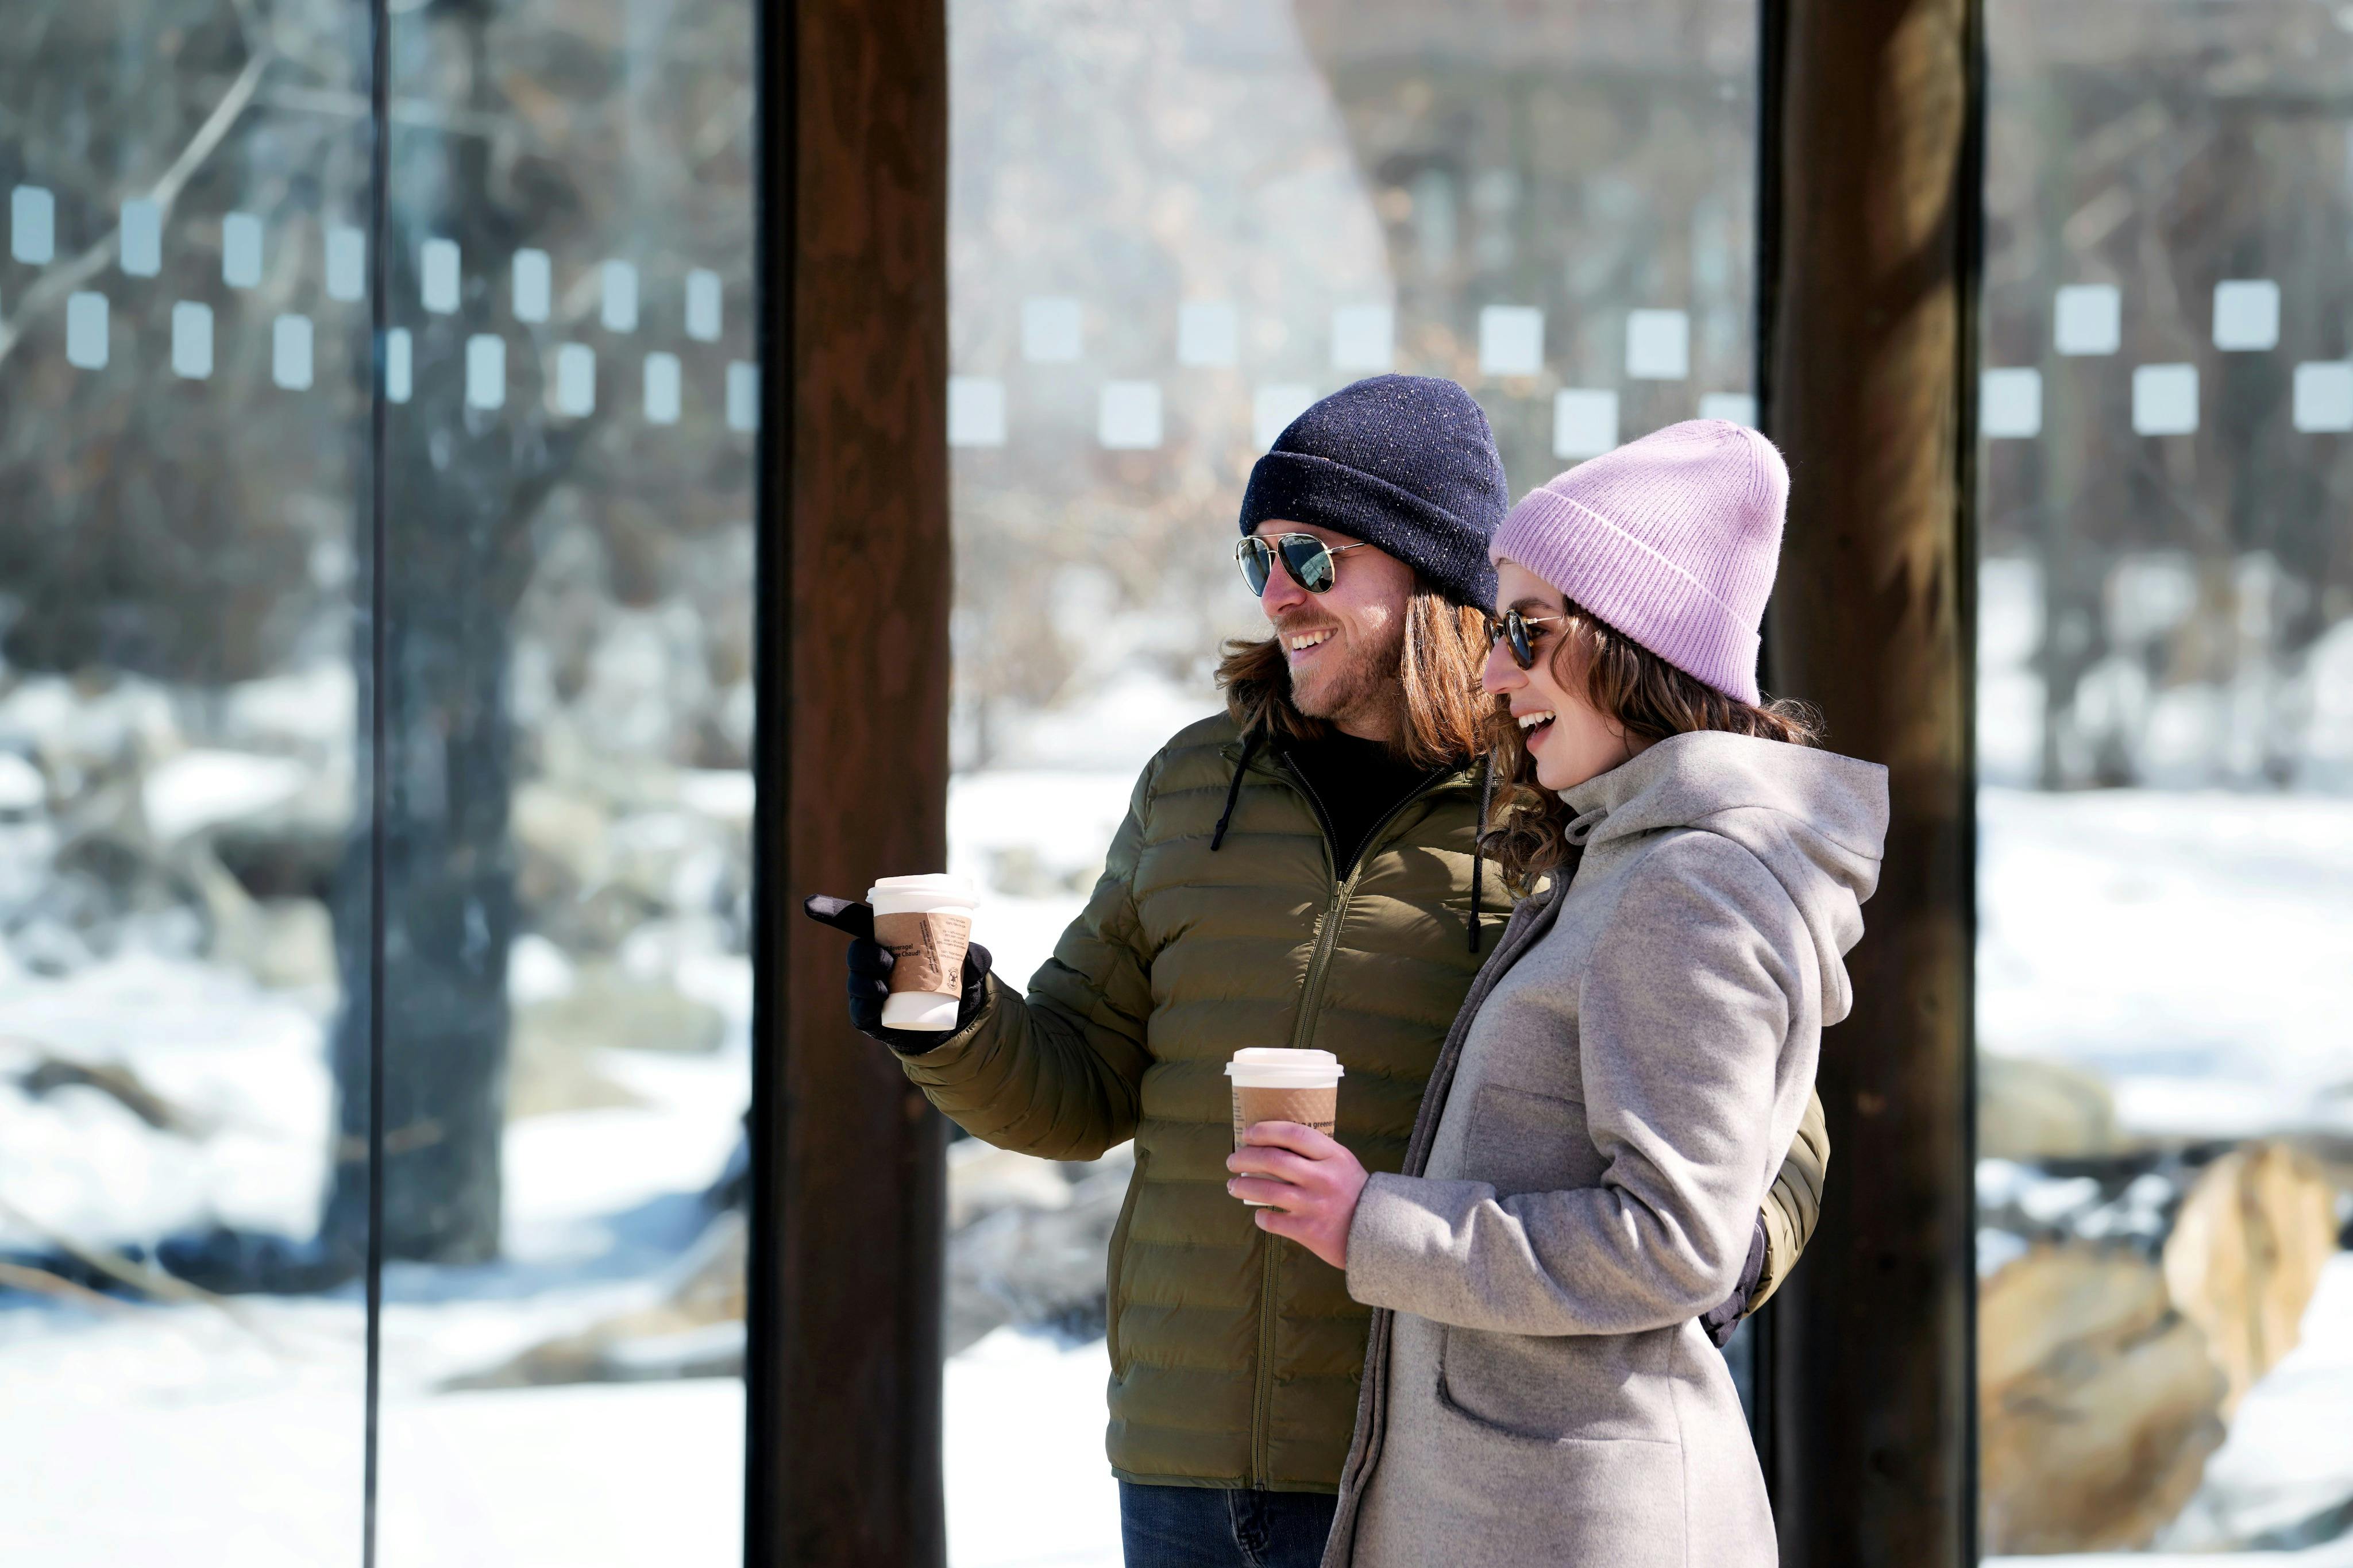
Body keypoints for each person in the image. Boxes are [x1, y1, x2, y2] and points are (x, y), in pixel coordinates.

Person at [805, 382, 1830, 1568]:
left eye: (1311, 554)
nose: (1276, 589)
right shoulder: (1194, 785)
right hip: (1183, 1459)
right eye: (1258, 555)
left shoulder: (1559, 795)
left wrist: (1721, 1257)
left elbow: (1760, 1097)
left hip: (1428, 1455)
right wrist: (945, 1014)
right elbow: (1081, 1087)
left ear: (1429, 578)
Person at [1221, 420, 1889, 1568]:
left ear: (1633, 648)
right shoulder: (1621, 858)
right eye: (1495, 632)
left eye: (1526, 633)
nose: (1491, 672)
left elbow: (1675, 1241)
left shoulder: (1689, 885)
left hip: (1578, 1518)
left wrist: (1368, 1223)